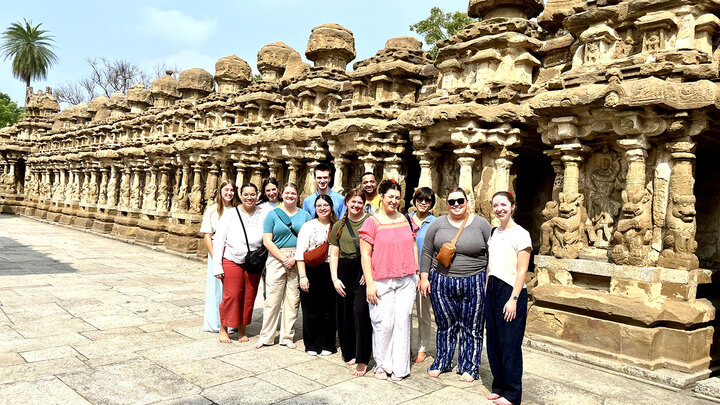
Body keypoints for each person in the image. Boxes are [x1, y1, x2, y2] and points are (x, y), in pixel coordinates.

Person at [418, 187, 492, 382]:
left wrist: (488, 281)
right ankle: (443, 360)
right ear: (447, 204)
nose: (456, 205)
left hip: (474, 279)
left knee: (472, 326)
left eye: (460, 201)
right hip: (442, 280)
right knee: (445, 325)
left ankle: (470, 365)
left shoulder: (481, 224)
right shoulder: (438, 224)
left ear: (467, 202)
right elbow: (426, 251)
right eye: (452, 202)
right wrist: (424, 278)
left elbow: (492, 254)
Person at [359, 179, 418, 381]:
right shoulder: (372, 222)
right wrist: (370, 283)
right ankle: (383, 365)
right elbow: (365, 255)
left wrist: (416, 271)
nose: (394, 201)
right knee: (384, 324)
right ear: (381, 197)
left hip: (406, 278)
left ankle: (400, 367)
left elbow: (413, 245)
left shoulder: (406, 219)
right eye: (390, 197)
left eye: (397, 197)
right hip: (382, 279)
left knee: (402, 323)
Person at [484, 191, 532, 405]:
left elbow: (522, 270)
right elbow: (490, 265)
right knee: (494, 341)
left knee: (510, 343)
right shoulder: (494, 232)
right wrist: (486, 289)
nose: (499, 209)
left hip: (511, 290)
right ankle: (499, 386)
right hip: (493, 288)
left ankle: (512, 393)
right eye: (495, 205)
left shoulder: (521, 234)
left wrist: (513, 298)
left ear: (513, 206)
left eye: (503, 204)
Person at [256, 182, 312, 349]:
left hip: (298, 257)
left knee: (292, 299)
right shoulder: (273, 215)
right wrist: (283, 258)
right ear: (282, 194)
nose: (290, 196)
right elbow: (267, 240)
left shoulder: (305, 216)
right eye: (287, 193)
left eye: (293, 193)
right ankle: (266, 335)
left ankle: (287, 336)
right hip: (276, 257)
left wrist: (294, 258)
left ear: (298, 195)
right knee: (272, 298)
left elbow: (308, 240)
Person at [212, 183, 265, 343]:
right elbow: (219, 240)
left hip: (253, 261)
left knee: (249, 296)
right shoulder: (230, 214)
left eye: (253, 194)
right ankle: (224, 328)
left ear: (257, 195)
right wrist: (217, 266)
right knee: (232, 295)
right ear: (240, 196)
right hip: (232, 258)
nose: (250, 197)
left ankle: (242, 329)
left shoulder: (263, 214)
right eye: (246, 194)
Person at [329, 189, 372, 376]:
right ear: (346, 202)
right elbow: (334, 253)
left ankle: (363, 358)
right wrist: (334, 278)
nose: (356, 205)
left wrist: (368, 271)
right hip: (344, 269)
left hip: (363, 268)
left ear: (364, 204)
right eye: (353, 202)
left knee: (361, 311)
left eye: (359, 202)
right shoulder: (339, 224)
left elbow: (375, 248)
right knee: (344, 311)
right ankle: (349, 351)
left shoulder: (370, 221)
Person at [296, 194, 338, 356]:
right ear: (315, 208)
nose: (322, 208)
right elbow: (300, 253)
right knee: (311, 309)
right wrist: (302, 276)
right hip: (312, 270)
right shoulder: (308, 226)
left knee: (329, 309)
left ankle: (328, 343)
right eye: (319, 205)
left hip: (331, 269)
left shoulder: (336, 226)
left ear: (331, 207)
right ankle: (312, 344)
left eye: (326, 205)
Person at [200, 179, 239, 333]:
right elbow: (207, 235)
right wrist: (216, 256)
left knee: (231, 289)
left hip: (233, 252)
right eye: (226, 190)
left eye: (231, 190)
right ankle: (215, 322)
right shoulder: (213, 210)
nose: (229, 193)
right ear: (220, 191)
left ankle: (231, 322)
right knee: (216, 288)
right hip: (216, 250)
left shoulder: (237, 210)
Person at [408, 187, 437, 364]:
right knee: (404, 313)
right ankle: (407, 345)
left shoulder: (435, 222)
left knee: (423, 312)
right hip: (405, 272)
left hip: (425, 273)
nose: (423, 203)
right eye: (420, 199)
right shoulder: (405, 218)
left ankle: (422, 347)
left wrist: (424, 273)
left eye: (427, 200)